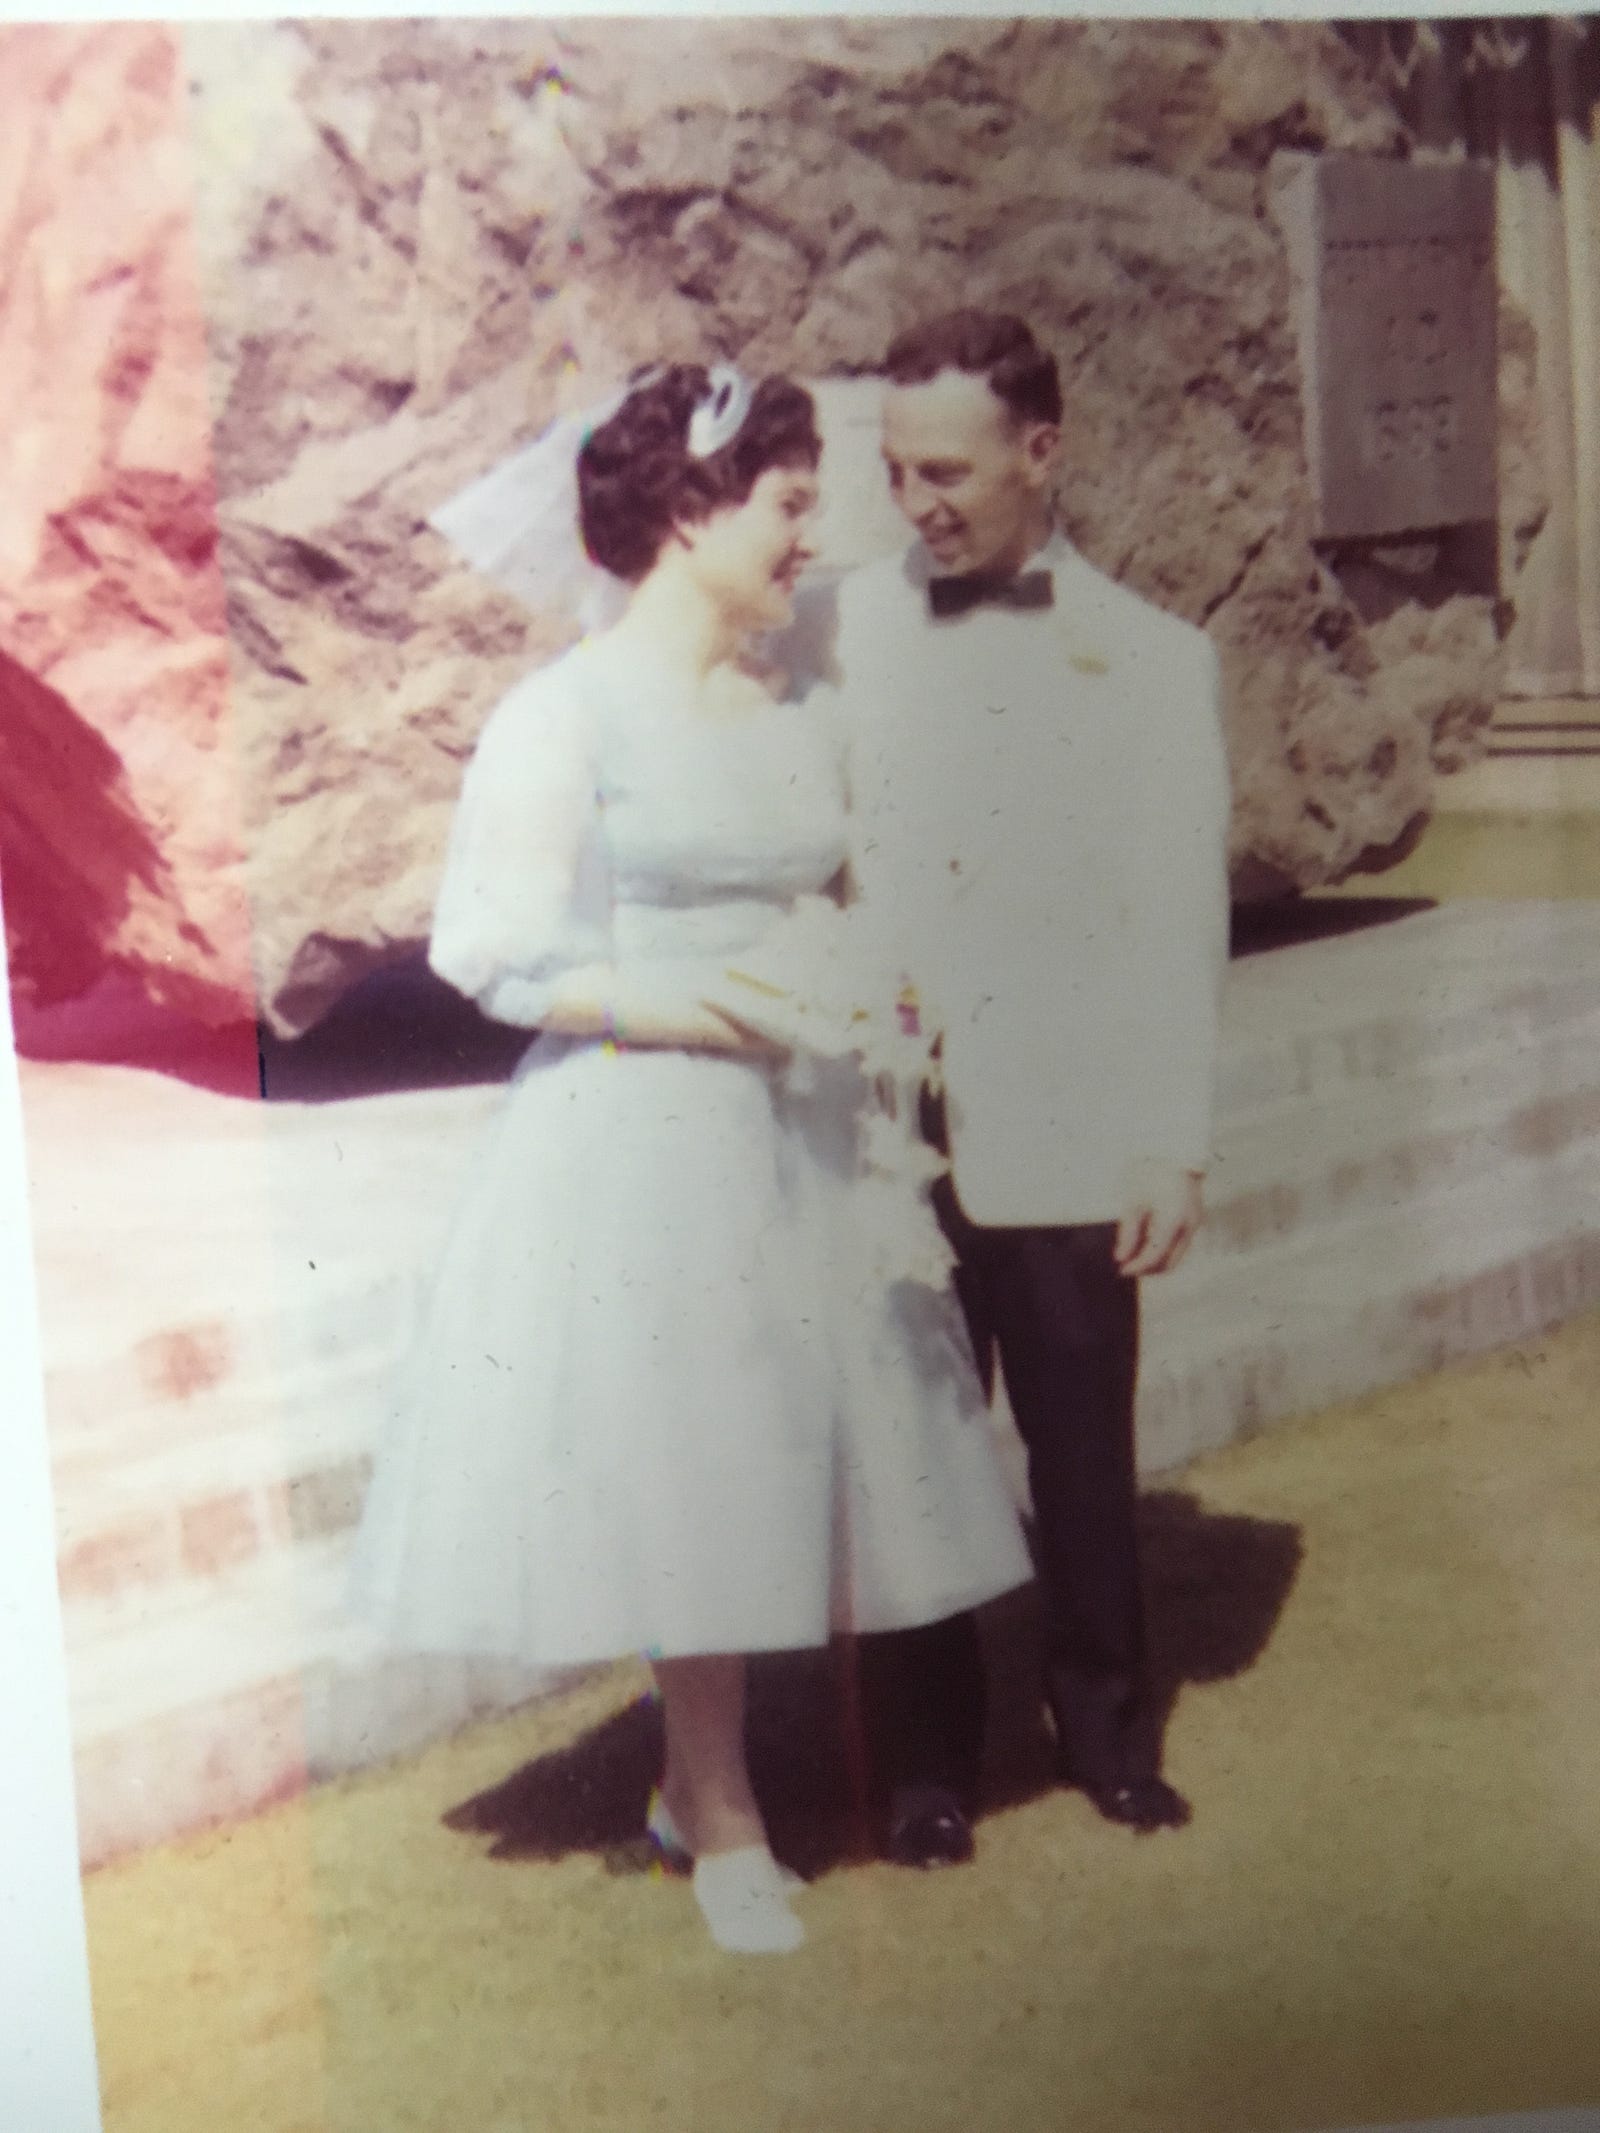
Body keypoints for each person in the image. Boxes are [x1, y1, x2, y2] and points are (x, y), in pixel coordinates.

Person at [345, 361, 1031, 1955]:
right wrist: (708, 1004)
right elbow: (493, 951)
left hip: (811, 1130)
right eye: (787, 504)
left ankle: (709, 1778)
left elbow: (849, 890)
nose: (812, 536)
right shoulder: (565, 714)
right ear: (688, 510)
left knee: (806, 1442)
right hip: (650, 1125)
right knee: (699, 1452)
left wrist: (874, 979)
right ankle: (718, 1808)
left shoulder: (792, 702)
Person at [816, 310, 1231, 1863]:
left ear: (1041, 451)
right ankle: (927, 1768)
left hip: (1065, 1121)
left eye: (946, 471)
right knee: (911, 1452)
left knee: (1080, 1445)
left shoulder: (1152, 659)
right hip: (885, 1131)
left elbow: (1176, 918)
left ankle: (1107, 1733)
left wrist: (1170, 1142)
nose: (914, 501)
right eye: (894, 470)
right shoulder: (838, 628)